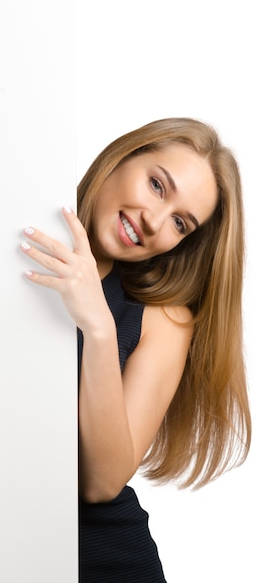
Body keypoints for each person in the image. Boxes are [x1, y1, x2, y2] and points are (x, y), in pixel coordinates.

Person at [20, 118, 252, 582]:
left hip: (101, 560)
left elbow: (102, 483)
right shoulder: (21, 225)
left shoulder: (163, 319)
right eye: (156, 185)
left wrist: (99, 329)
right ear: (121, 156)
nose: (153, 220)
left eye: (180, 223)